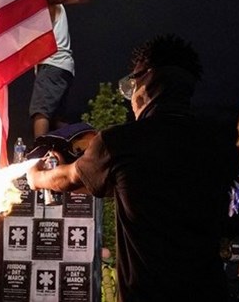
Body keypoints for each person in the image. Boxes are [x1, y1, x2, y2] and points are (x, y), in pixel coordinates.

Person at [27, 33, 228, 301]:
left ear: (147, 80)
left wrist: (36, 177)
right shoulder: (215, 144)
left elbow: (68, 178)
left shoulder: (120, 142)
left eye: (132, 85)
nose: (131, 96)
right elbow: (130, 186)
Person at [29, 0, 74, 139]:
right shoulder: (54, 3)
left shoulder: (49, 3)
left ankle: (40, 149)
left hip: (52, 64)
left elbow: (41, 33)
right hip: (63, 67)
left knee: (41, 112)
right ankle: (71, 144)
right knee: (56, 119)